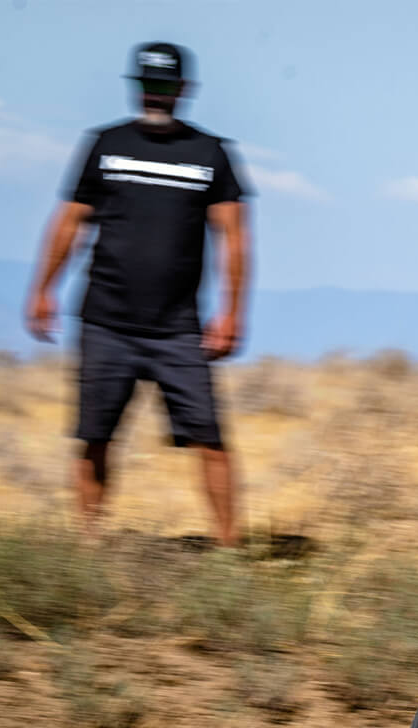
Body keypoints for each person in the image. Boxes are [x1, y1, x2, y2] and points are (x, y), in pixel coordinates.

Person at [24, 42, 251, 549]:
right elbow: (70, 223)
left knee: (210, 438)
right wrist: (42, 289)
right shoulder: (104, 145)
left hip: (179, 329)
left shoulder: (211, 155)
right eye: (148, 84)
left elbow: (234, 239)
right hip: (106, 320)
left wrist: (232, 313)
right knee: (95, 436)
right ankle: (88, 544)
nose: (156, 94)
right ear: (136, 85)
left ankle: (229, 551)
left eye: (166, 86)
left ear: (184, 91)